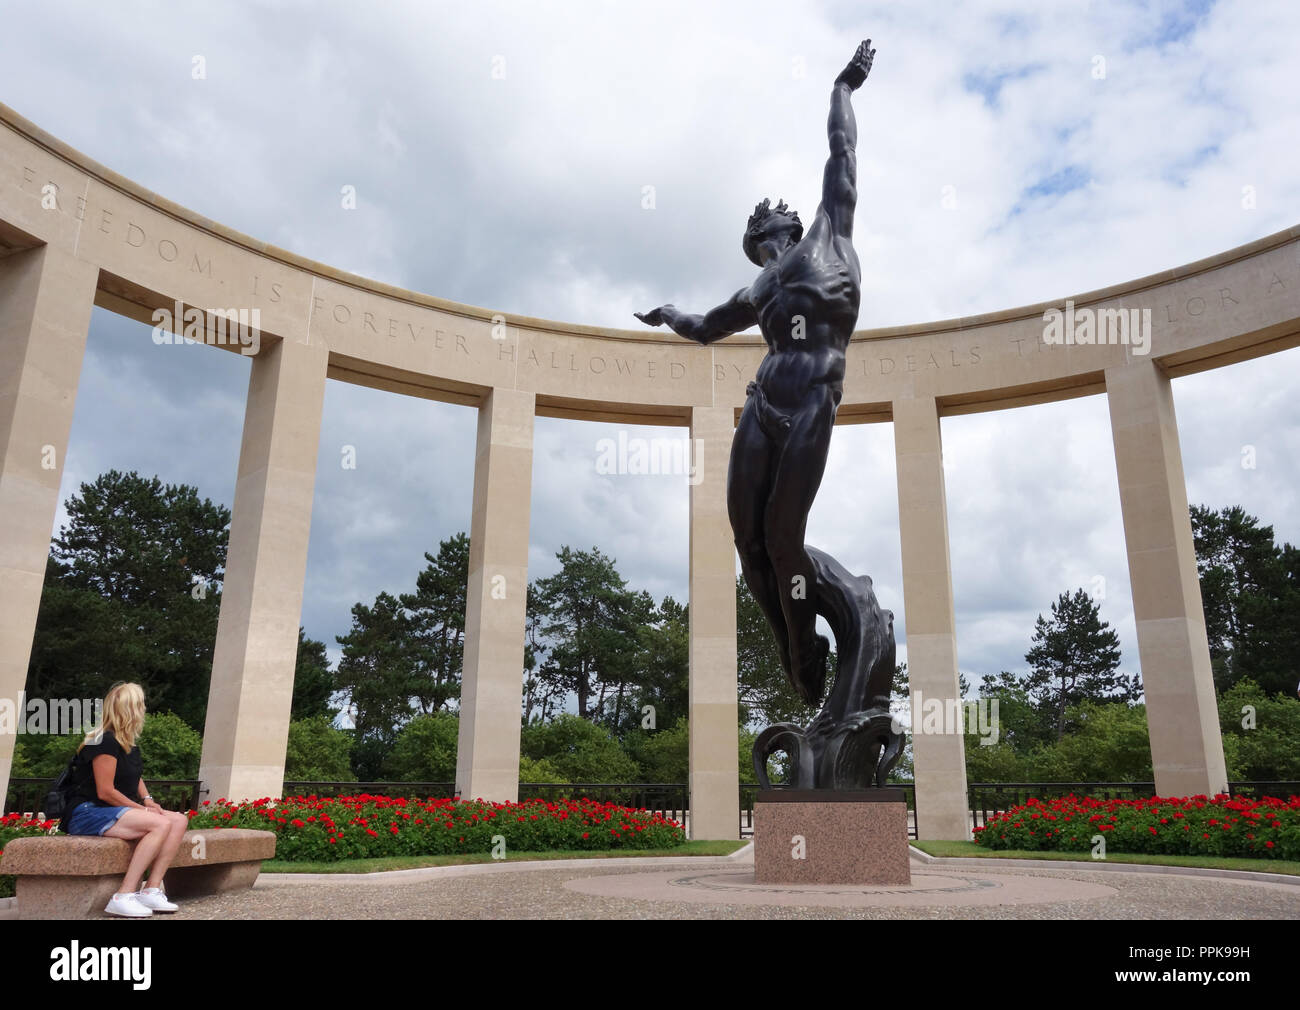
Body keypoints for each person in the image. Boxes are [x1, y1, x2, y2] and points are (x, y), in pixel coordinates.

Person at [636, 40, 876, 706]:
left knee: (781, 535)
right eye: (757, 233)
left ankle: (807, 643)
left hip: (812, 399)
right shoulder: (757, 290)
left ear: (792, 222)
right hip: (764, 401)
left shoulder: (830, 232)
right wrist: (667, 312)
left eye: (770, 226)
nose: (765, 233)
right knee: (747, 539)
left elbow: (842, 154)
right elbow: (706, 327)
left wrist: (842, 88)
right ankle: (791, 643)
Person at [63, 682, 190, 917]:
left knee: (179, 821)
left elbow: (135, 778)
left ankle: (150, 890)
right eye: (140, 704)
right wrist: (141, 810)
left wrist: (148, 800)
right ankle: (123, 895)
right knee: (160, 823)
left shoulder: (127, 743)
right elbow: (105, 791)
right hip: (86, 812)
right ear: (130, 709)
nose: (144, 709)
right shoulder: (103, 741)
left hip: (110, 811)